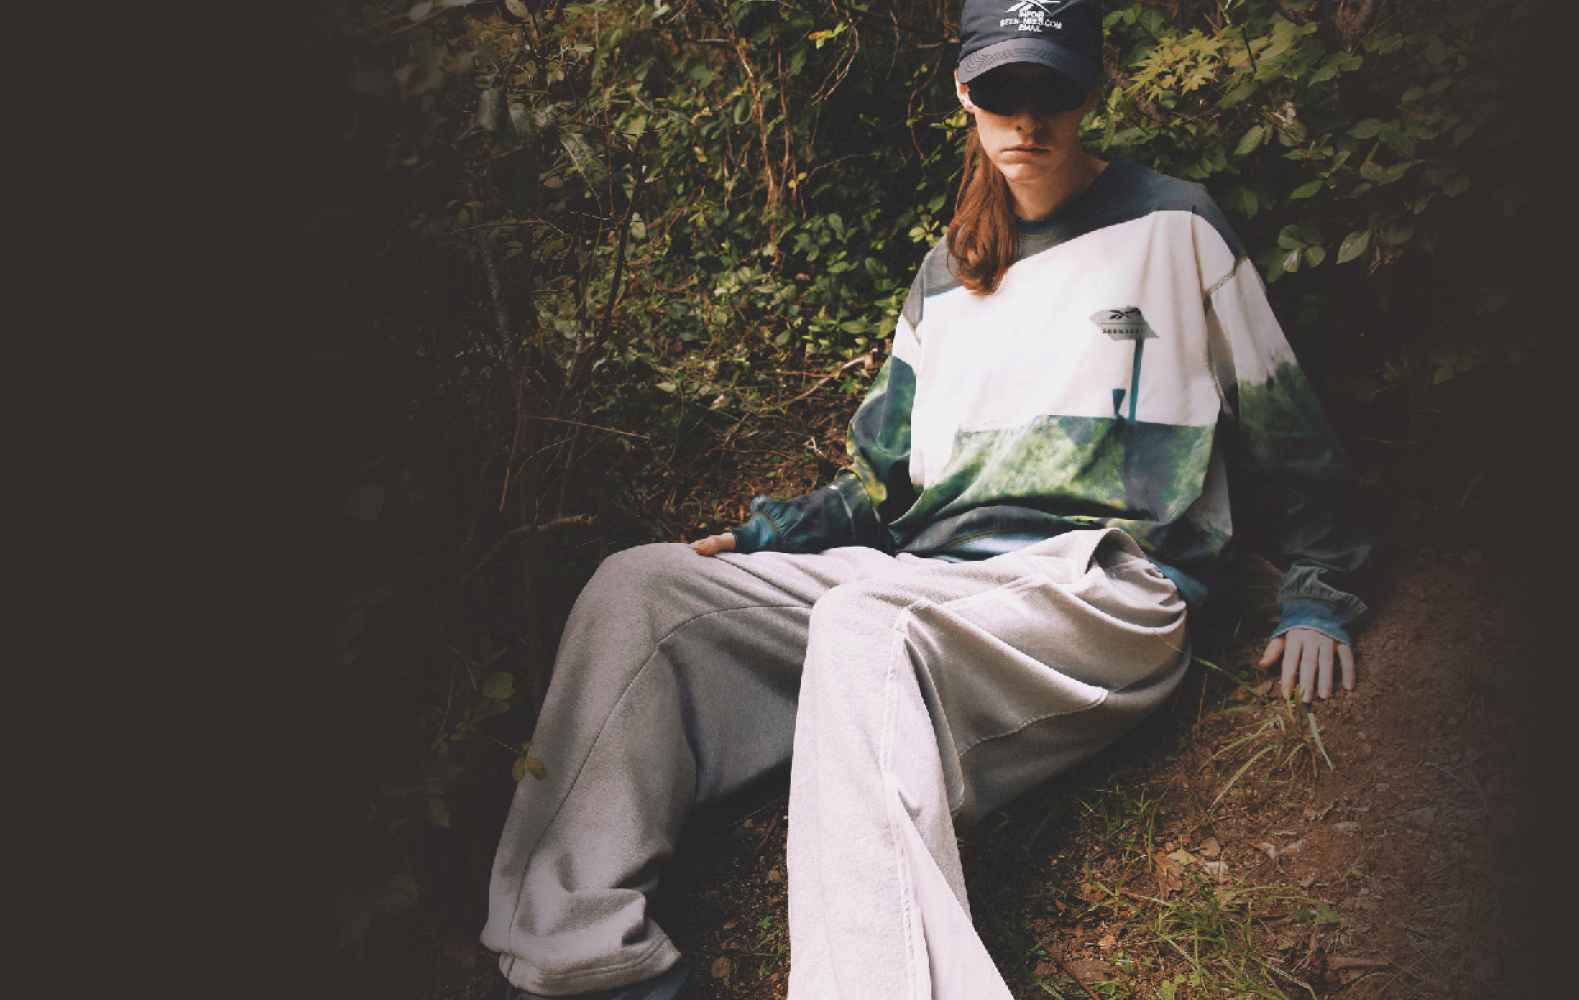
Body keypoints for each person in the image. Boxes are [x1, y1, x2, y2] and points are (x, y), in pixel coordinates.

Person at [482, 2, 1373, 997]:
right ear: (964, 93)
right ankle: (588, 964)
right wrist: (770, 533)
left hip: (1102, 585)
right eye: (1001, 89)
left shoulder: (1175, 226)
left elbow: (1284, 418)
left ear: (1093, 89)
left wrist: (1317, 590)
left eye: (1052, 89)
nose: (1026, 118)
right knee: (638, 589)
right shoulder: (947, 271)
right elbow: (879, 479)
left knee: (867, 624)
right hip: (932, 582)